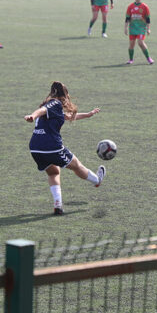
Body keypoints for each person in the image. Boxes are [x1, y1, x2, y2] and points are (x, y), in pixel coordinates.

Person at [24, 81, 105, 216]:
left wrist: (89, 114)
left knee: (53, 172)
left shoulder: (52, 107)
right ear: (65, 95)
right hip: (51, 147)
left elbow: (67, 117)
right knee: (77, 166)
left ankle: (58, 204)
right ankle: (97, 181)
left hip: (35, 148)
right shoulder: (54, 103)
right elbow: (41, 111)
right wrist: (32, 115)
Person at [124, 0, 153, 64]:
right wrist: (125, 28)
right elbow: (127, 18)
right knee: (131, 44)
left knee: (140, 42)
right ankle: (131, 60)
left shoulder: (145, 7)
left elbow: (148, 19)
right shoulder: (130, 7)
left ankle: (149, 58)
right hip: (133, 28)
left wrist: (148, 29)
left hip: (141, 28)